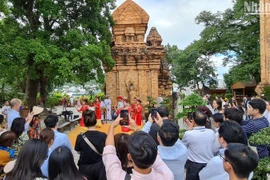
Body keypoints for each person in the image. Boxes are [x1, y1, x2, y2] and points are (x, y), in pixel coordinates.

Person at [102, 116, 174, 180]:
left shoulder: (117, 176)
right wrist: (136, 128)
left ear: (129, 157)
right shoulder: (166, 176)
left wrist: (112, 126)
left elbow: (109, 151)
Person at [141, 114, 188, 180]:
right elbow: (175, 138)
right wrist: (162, 125)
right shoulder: (183, 150)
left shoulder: (153, 154)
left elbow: (140, 138)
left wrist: (149, 122)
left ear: (158, 138)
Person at [182, 111, 216, 180]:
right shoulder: (211, 132)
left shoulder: (189, 134)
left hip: (194, 165)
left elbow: (183, 147)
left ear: (193, 121)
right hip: (208, 164)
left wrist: (189, 129)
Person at [75, 110, 107, 180]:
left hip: (85, 168)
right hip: (100, 167)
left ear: (85, 122)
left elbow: (78, 151)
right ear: (95, 121)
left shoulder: (80, 137)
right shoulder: (103, 136)